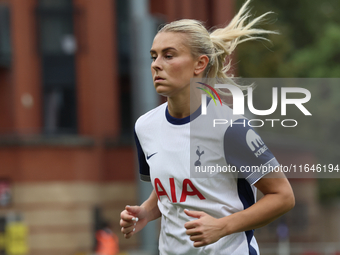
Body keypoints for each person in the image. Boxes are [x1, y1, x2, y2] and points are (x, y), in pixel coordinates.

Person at [120, 0, 295, 254]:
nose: (156, 64)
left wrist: (222, 227)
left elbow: (283, 196)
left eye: (169, 55)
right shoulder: (144, 126)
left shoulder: (229, 128)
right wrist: (147, 211)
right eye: (153, 56)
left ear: (199, 64)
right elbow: (172, 188)